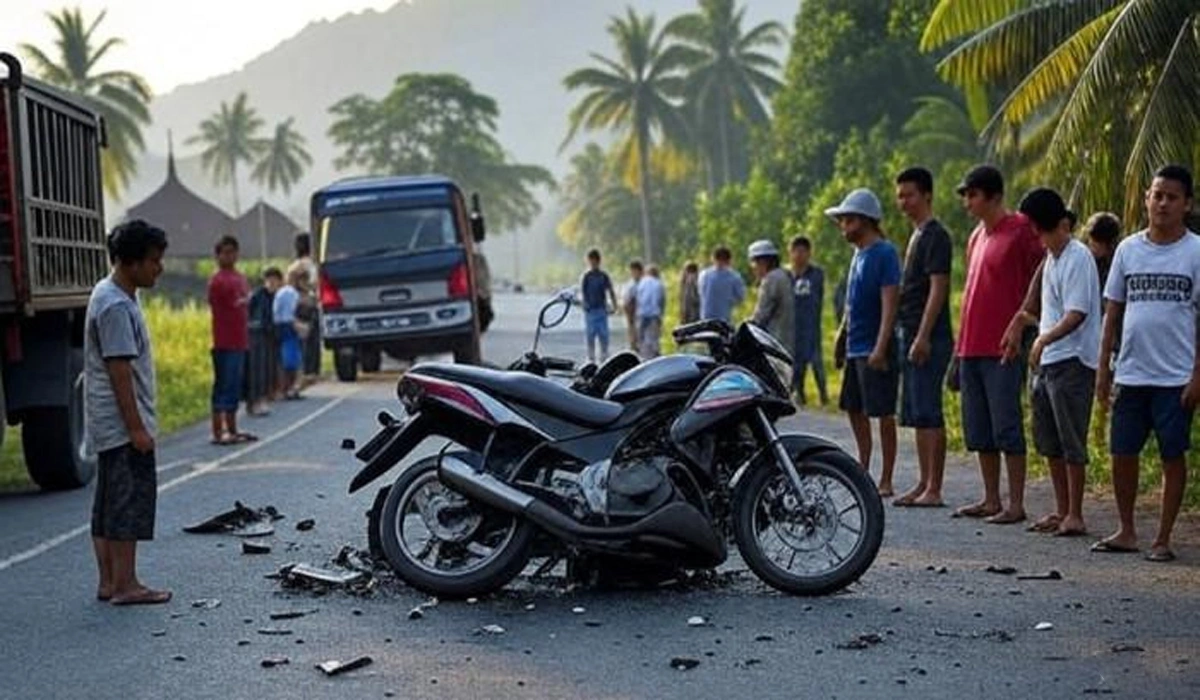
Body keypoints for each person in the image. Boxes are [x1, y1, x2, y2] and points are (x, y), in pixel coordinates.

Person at [1094, 165, 1200, 562]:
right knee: (1122, 451)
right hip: (1132, 372)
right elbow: (1112, 313)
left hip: (1176, 377)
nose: (1163, 203)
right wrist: (1103, 368)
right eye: (1157, 195)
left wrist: (1197, 374)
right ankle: (1126, 529)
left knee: (1173, 455)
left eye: (1172, 197)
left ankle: (1163, 538)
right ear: (1146, 198)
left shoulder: (1195, 251)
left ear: (1186, 204)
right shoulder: (1128, 249)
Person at [85, 219, 171, 606]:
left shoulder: (111, 294)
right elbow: (120, 371)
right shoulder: (116, 305)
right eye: (153, 261)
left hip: (108, 423)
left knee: (107, 502)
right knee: (127, 502)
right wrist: (136, 428)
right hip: (121, 424)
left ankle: (109, 581)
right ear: (131, 263)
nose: (159, 268)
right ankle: (126, 584)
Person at [952, 165, 1044, 524]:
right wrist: (959, 351)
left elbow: (1041, 279)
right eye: (966, 196)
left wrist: (1024, 328)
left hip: (1004, 345)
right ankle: (991, 498)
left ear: (993, 196)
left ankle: (1016, 503)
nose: (968, 203)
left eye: (973, 195)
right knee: (979, 428)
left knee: (1007, 423)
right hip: (971, 346)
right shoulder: (976, 236)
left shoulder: (1021, 229)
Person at [1006, 188, 1101, 537]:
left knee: (1071, 439)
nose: (1040, 237)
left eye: (1044, 230)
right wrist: (1023, 323)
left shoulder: (1078, 257)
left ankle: (1075, 512)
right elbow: (1041, 306)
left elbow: (1077, 313)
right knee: (1050, 440)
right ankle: (1062, 510)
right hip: (1048, 362)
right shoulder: (1052, 259)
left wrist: (1045, 339)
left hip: (1072, 359)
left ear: (1062, 225)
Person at [828, 189, 902, 495]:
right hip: (855, 344)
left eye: (847, 220)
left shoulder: (884, 253)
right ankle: (864, 464)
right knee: (853, 408)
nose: (843, 226)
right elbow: (850, 301)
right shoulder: (857, 254)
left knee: (883, 412)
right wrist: (841, 335)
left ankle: (886, 477)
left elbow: (890, 302)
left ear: (865, 221)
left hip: (875, 346)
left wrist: (881, 346)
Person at [893, 167, 954, 507]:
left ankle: (935, 486)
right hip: (909, 331)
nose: (904, 202)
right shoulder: (915, 234)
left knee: (930, 410)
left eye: (909, 195)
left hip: (929, 335)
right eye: (900, 195)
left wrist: (924, 335)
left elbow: (938, 288)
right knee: (917, 412)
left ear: (927, 195)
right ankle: (923, 480)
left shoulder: (936, 236)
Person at [207, 236, 255, 446]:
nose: (229, 256)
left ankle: (233, 428)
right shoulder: (218, 281)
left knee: (234, 386)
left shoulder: (240, 278)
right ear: (217, 255)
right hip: (224, 341)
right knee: (224, 386)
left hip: (240, 340)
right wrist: (244, 301)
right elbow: (234, 303)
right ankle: (219, 431)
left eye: (232, 251)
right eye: (225, 252)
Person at [789, 236, 828, 405]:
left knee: (817, 363)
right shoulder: (787, 276)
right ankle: (800, 394)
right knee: (797, 365)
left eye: (803, 251)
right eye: (796, 251)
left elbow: (818, 297)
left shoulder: (816, 274)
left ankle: (824, 396)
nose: (799, 255)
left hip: (812, 325)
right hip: (793, 327)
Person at [246, 267, 281, 416]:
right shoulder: (259, 296)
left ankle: (263, 399)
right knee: (257, 370)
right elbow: (254, 317)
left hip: (269, 336)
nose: (272, 284)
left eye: (275, 281)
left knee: (267, 369)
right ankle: (254, 402)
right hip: (256, 336)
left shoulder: (275, 297)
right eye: (270, 280)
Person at [288, 233, 321, 386]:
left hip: (300, 305)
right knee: (313, 340)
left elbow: (290, 288)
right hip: (314, 304)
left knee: (303, 341)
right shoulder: (315, 265)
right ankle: (313, 371)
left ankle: (305, 372)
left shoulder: (295, 267)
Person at [748, 239, 793, 347]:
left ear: (763, 262)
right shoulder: (785, 275)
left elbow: (761, 315)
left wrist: (745, 327)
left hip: (775, 340)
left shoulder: (770, 279)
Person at [273, 268, 307, 399]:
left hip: (279, 326)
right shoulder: (293, 294)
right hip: (291, 325)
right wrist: (300, 327)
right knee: (295, 360)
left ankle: (283, 389)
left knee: (283, 359)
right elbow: (293, 313)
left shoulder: (280, 292)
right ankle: (293, 388)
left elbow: (276, 311)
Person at [579, 248, 618, 362]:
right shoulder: (586, 276)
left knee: (604, 336)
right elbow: (583, 292)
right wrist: (584, 304)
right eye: (591, 261)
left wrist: (615, 305)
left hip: (601, 310)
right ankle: (591, 358)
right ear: (588, 261)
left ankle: (604, 357)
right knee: (590, 336)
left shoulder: (603, 276)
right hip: (590, 311)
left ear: (599, 261)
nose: (593, 263)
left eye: (595, 261)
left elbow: (611, 291)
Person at [698, 246, 746, 324]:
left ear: (713, 258)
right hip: (724, 321)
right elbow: (741, 298)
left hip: (705, 321)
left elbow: (701, 293)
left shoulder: (704, 275)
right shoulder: (734, 277)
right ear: (729, 260)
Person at [635, 264, 666, 359]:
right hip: (654, 314)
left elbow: (638, 298)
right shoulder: (659, 283)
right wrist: (661, 315)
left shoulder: (642, 282)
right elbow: (662, 301)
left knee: (641, 337)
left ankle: (641, 356)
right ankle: (654, 357)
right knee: (653, 338)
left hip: (642, 313)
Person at [623, 260, 644, 351]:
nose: (633, 273)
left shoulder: (645, 283)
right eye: (632, 271)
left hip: (643, 313)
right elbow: (626, 300)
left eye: (635, 271)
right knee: (633, 337)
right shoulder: (629, 285)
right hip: (632, 313)